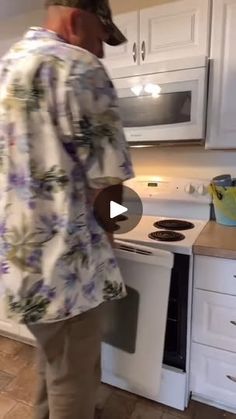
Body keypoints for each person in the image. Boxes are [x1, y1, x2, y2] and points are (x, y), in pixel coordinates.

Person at [0, 1, 134, 418]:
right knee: (75, 382)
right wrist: (110, 241)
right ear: (77, 19)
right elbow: (108, 185)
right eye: (100, 38)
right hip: (68, 270)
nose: (102, 52)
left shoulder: (7, 67)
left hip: (19, 266)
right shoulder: (80, 67)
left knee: (54, 365)